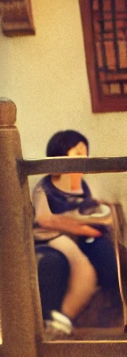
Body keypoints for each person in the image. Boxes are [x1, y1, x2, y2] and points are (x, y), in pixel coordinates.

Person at [34, 130, 118, 337]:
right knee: (84, 270)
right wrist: (80, 226)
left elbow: (88, 212)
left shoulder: (81, 185)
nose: (84, 159)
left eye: (85, 153)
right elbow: (44, 220)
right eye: (77, 153)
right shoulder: (43, 187)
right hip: (50, 236)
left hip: (79, 237)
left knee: (109, 255)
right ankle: (62, 319)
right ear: (59, 156)